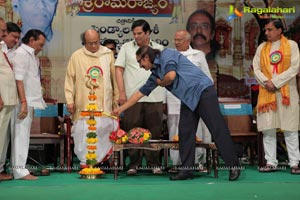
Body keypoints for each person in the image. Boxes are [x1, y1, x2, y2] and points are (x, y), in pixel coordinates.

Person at [113, 46, 241, 181]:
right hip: (188, 99)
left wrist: (161, 83)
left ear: (146, 57)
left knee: (217, 129)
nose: (140, 66)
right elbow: (139, 94)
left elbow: (171, 76)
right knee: (185, 133)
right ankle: (187, 171)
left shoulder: (167, 54)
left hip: (202, 91)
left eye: (140, 62)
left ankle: (234, 166)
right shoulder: (155, 74)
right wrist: (120, 109)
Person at [115, 19, 165, 175]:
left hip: (155, 96)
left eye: (140, 33)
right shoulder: (126, 48)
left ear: (148, 33)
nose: (136, 37)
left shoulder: (159, 49)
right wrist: (122, 92)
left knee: (155, 131)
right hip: (132, 98)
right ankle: (133, 164)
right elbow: (118, 70)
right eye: (134, 34)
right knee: (132, 131)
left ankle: (154, 163)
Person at [64, 29, 119, 169]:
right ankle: (85, 162)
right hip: (84, 103)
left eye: (96, 42)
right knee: (83, 133)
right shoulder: (76, 56)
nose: (94, 46)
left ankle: (102, 162)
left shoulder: (107, 54)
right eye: (90, 44)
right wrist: (69, 100)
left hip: (104, 103)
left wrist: (116, 100)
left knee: (103, 131)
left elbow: (114, 79)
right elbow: (69, 79)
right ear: (84, 42)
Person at [253, 19, 300, 174]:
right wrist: (267, 82)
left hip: (287, 92)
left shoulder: (292, 45)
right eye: (266, 30)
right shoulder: (262, 47)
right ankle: (271, 162)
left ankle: (294, 163)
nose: (266, 33)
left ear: (279, 30)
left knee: (290, 128)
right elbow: (256, 68)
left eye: (270, 29)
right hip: (267, 92)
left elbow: (294, 68)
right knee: (268, 128)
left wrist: (276, 82)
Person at [168, 30, 212, 172]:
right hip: (174, 99)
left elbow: (206, 77)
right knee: (174, 129)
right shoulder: (169, 55)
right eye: (175, 39)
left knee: (196, 129)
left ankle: (198, 162)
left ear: (188, 41)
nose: (176, 42)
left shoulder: (198, 55)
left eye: (179, 40)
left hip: (194, 99)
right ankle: (177, 163)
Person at [9, 29, 46, 180]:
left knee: (23, 135)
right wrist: (23, 102)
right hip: (21, 101)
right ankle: (19, 171)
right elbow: (19, 79)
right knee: (20, 135)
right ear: (31, 41)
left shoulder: (32, 56)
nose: (41, 47)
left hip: (28, 101)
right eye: (40, 44)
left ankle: (19, 169)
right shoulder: (21, 54)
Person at [0, 21, 21, 180]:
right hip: (2, 98)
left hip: (8, 99)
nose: (3, 33)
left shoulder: (6, 50)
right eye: (3, 31)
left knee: (3, 137)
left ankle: (0, 169)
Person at [186, 9, 220, 85]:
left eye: (205, 26)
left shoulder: (221, 59)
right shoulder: (181, 59)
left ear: (212, 34)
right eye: (193, 26)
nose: (199, 31)